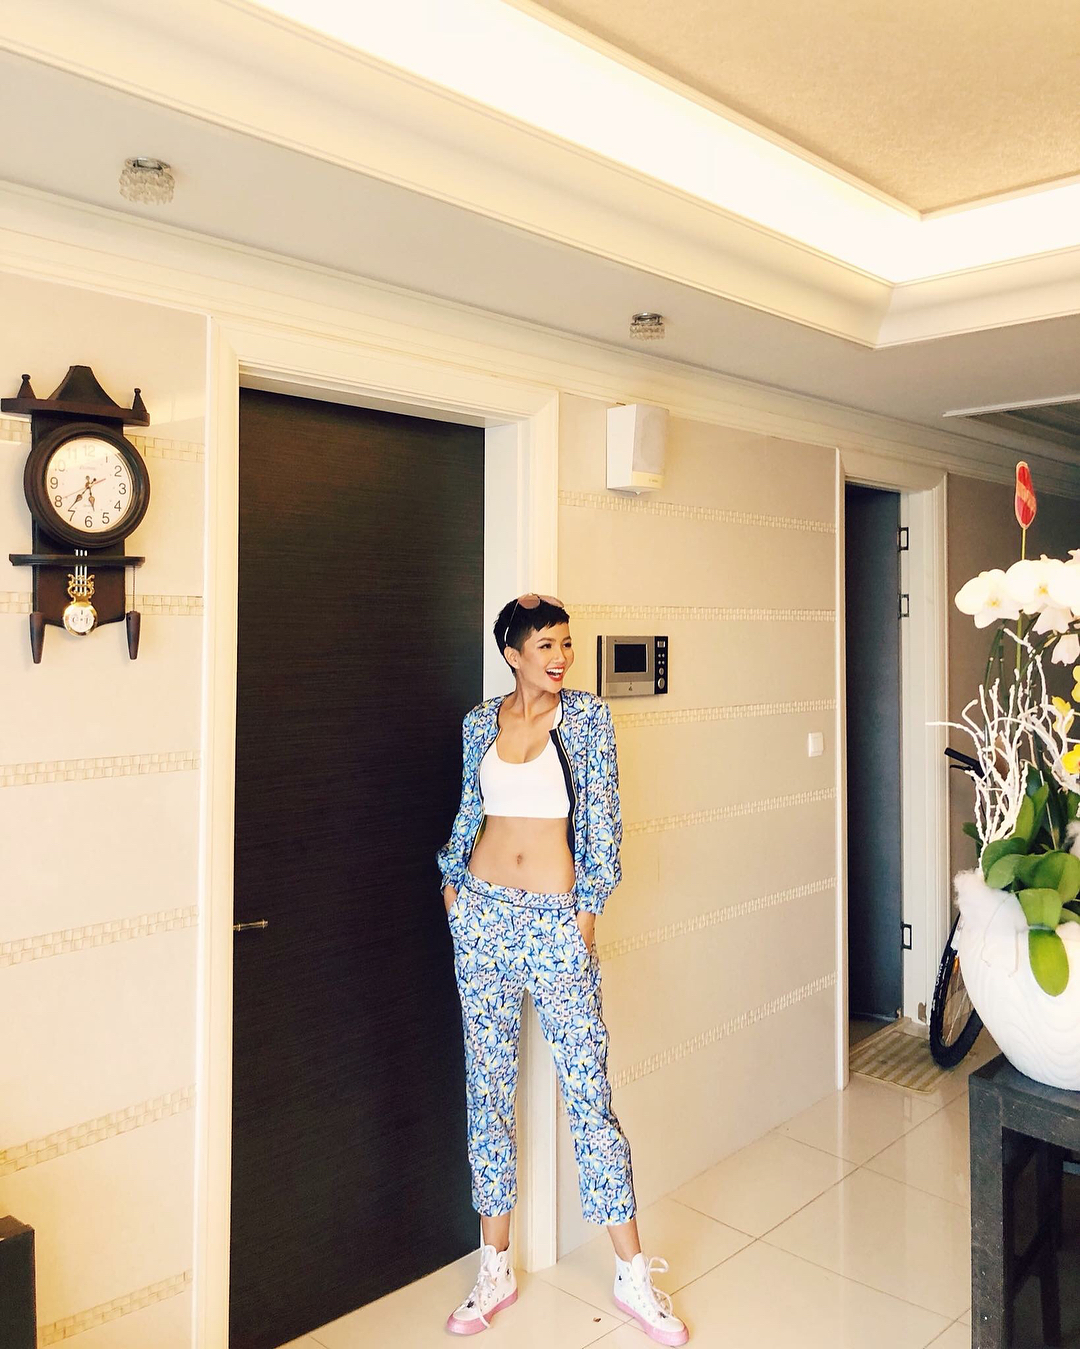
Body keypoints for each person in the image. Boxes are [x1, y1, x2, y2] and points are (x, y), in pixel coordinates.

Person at [436, 594, 689, 1344]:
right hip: (482, 916)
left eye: (566, 644)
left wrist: (585, 913)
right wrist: (451, 883)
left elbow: (603, 819)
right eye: (545, 644)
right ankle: (495, 1267)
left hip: (554, 922)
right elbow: (470, 809)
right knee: (487, 1090)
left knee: (588, 1092)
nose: (560, 657)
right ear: (511, 654)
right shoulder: (478, 722)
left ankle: (632, 1275)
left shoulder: (586, 719)